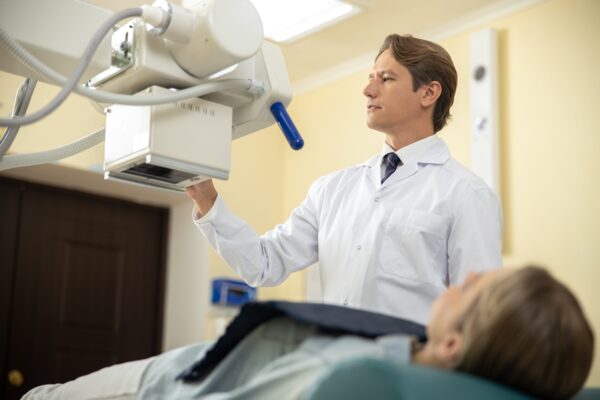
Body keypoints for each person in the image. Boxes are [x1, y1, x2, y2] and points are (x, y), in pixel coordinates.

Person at [186, 34, 503, 325]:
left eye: (386, 78)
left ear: (429, 92)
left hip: (411, 377)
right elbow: (263, 264)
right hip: (339, 370)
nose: (368, 90)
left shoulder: (466, 193)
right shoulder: (331, 190)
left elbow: (479, 314)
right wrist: (206, 198)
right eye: (370, 78)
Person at [22, 265, 595, 400]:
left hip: (166, 383)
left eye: (474, 288)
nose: (467, 274)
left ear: (454, 344)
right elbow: (270, 258)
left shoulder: (342, 374)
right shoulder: (404, 352)